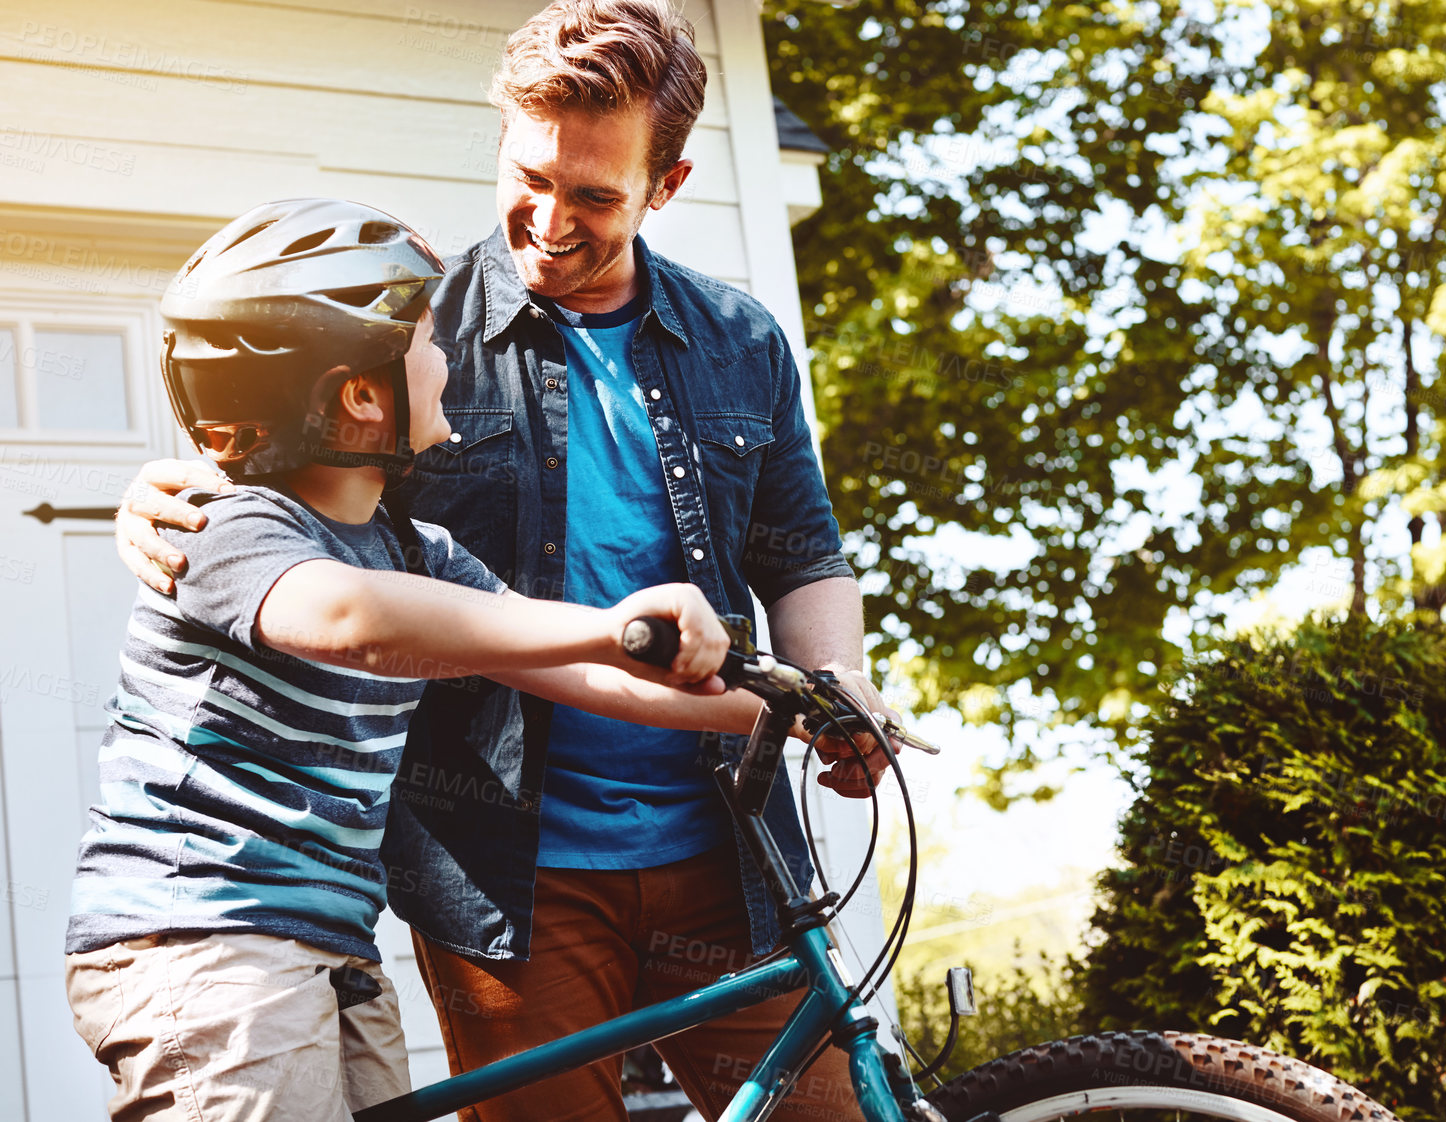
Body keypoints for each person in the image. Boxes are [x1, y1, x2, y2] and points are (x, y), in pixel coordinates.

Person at [114, 2, 902, 1120]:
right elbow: (280, 504)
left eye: (593, 196)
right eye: (529, 177)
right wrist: (153, 492)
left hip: (727, 853)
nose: (547, 220)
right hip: (503, 872)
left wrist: (832, 695)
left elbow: (801, 554)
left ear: (664, 188)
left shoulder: (741, 341)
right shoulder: (407, 336)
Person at [72, 197, 749, 1122]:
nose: (448, 361)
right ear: (359, 394)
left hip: (333, 944)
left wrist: (777, 709)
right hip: (207, 943)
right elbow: (349, 619)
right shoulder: (227, 528)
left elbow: (573, 674)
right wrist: (611, 624)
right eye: (429, 342)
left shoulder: (417, 549)